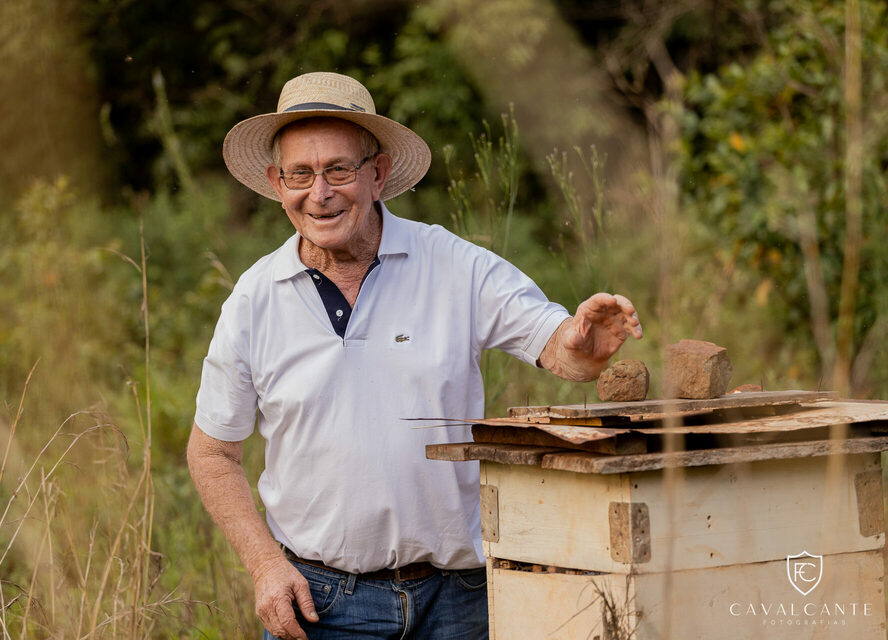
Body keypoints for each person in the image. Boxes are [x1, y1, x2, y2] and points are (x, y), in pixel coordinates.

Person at [187, 72, 642, 640]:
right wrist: (265, 567)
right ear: (277, 183)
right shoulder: (254, 300)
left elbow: (560, 349)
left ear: (377, 175)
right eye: (301, 173)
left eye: (339, 170)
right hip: (322, 605)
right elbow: (211, 453)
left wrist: (587, 346)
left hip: (462, 602)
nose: (319, 192)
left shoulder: (455, 266)